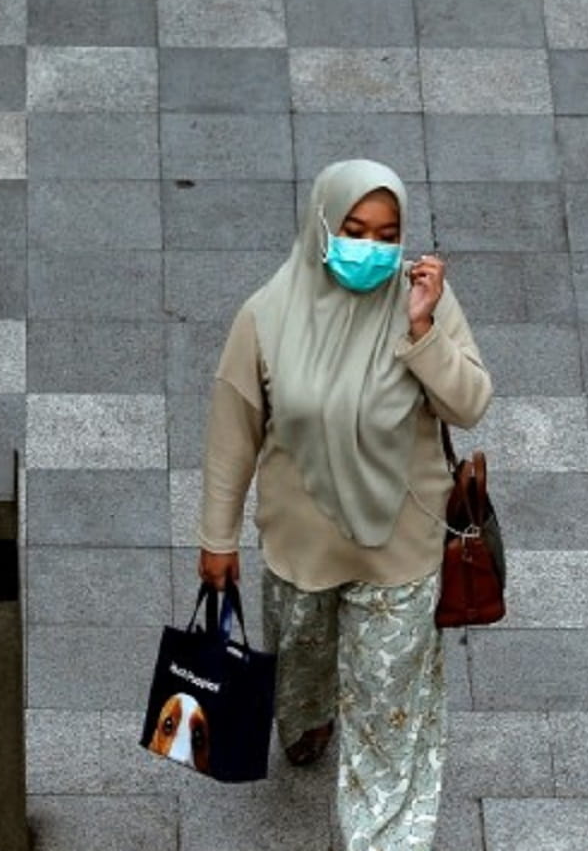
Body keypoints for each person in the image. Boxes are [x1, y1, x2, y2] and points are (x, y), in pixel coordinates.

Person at [196, 159, 493, 849]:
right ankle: (305, 725)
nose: (370, 248)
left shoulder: (429, 303)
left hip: (402, 550)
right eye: (354, 230)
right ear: (322, 227)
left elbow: (470, 403)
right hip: (300, 546)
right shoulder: (266, 316)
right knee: (300, 664)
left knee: (390, 708)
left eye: (387, 235)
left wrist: (422, 333)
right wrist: (218, 537)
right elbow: (232, 432)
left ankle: (385, 835)